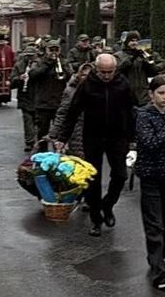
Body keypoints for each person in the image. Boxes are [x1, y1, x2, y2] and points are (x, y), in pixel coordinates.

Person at [49, 53, 136, 237]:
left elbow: (132, 110)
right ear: (97, 69)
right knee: (92, 179)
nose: (106, 76)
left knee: (120, 175)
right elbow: (72, 112)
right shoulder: (87, 84)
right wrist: (62, 138)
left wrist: (133, 137)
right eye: (103, 72)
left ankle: (108, 205)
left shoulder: (122, 83)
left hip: (117, 136)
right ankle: (96, 218)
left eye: (110, 72)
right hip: (93, 136)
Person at [131, 75, 165, 291]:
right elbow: (150, 143)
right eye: (161, 93)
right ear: (152, 95)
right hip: (151, 177)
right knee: (154, 225)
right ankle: (160, 273)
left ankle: (158, 257)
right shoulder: (144, 115)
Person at [20, 39, 66, 153]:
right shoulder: (39, 61)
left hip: (59, 103)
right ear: (46, 50)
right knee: (42, 133)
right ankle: (42, 155)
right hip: (43, 104)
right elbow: (33, 74)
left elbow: (69, 76)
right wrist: (48, 63)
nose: (54, 52)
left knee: (59, 133)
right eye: (51, 50)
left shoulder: (63, 62)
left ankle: (58, 156)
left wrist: (62, 67)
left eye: (56, 49)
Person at [116, 32, 165, 104]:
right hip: (126, 93)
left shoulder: (145, 54)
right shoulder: (119, 55)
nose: (135, 43)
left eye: (137, 41)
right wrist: (132, 58)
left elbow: (155, 69)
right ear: (127, 42)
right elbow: (118, 69)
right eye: (132, 41)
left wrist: (147, 60)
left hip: (143, 95)